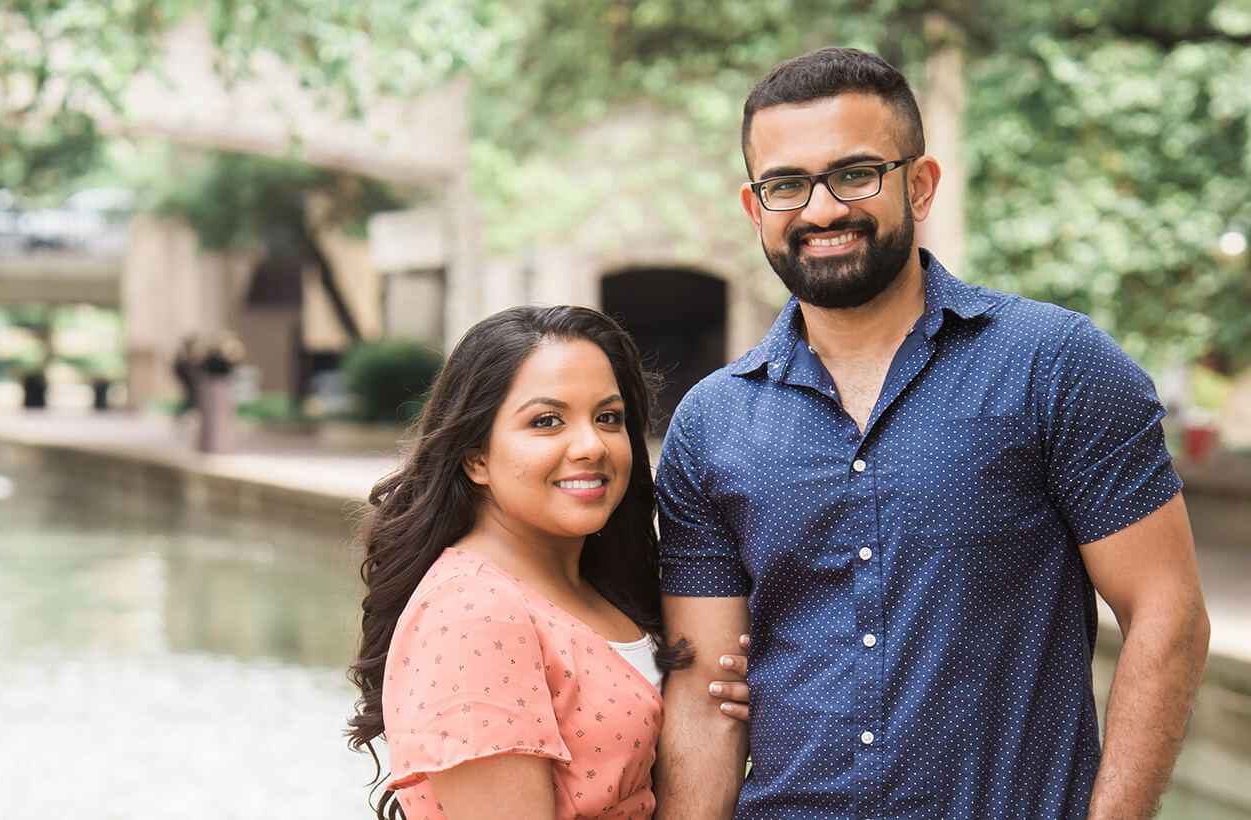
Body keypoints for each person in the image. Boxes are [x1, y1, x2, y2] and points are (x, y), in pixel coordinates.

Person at [653, 47, 1211, 820]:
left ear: (919, 184)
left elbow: (1166, 614)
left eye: (855, 174)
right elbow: (705, 695)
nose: (821, 210)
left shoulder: (1053, 365)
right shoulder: (710, 425)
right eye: (787, 185)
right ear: (756, 209)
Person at [346, 305, 747, 819]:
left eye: (608, 418)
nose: (591, 446)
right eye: (547, 421)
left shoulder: (601, 587)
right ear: (476, 458)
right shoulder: (474, 612)